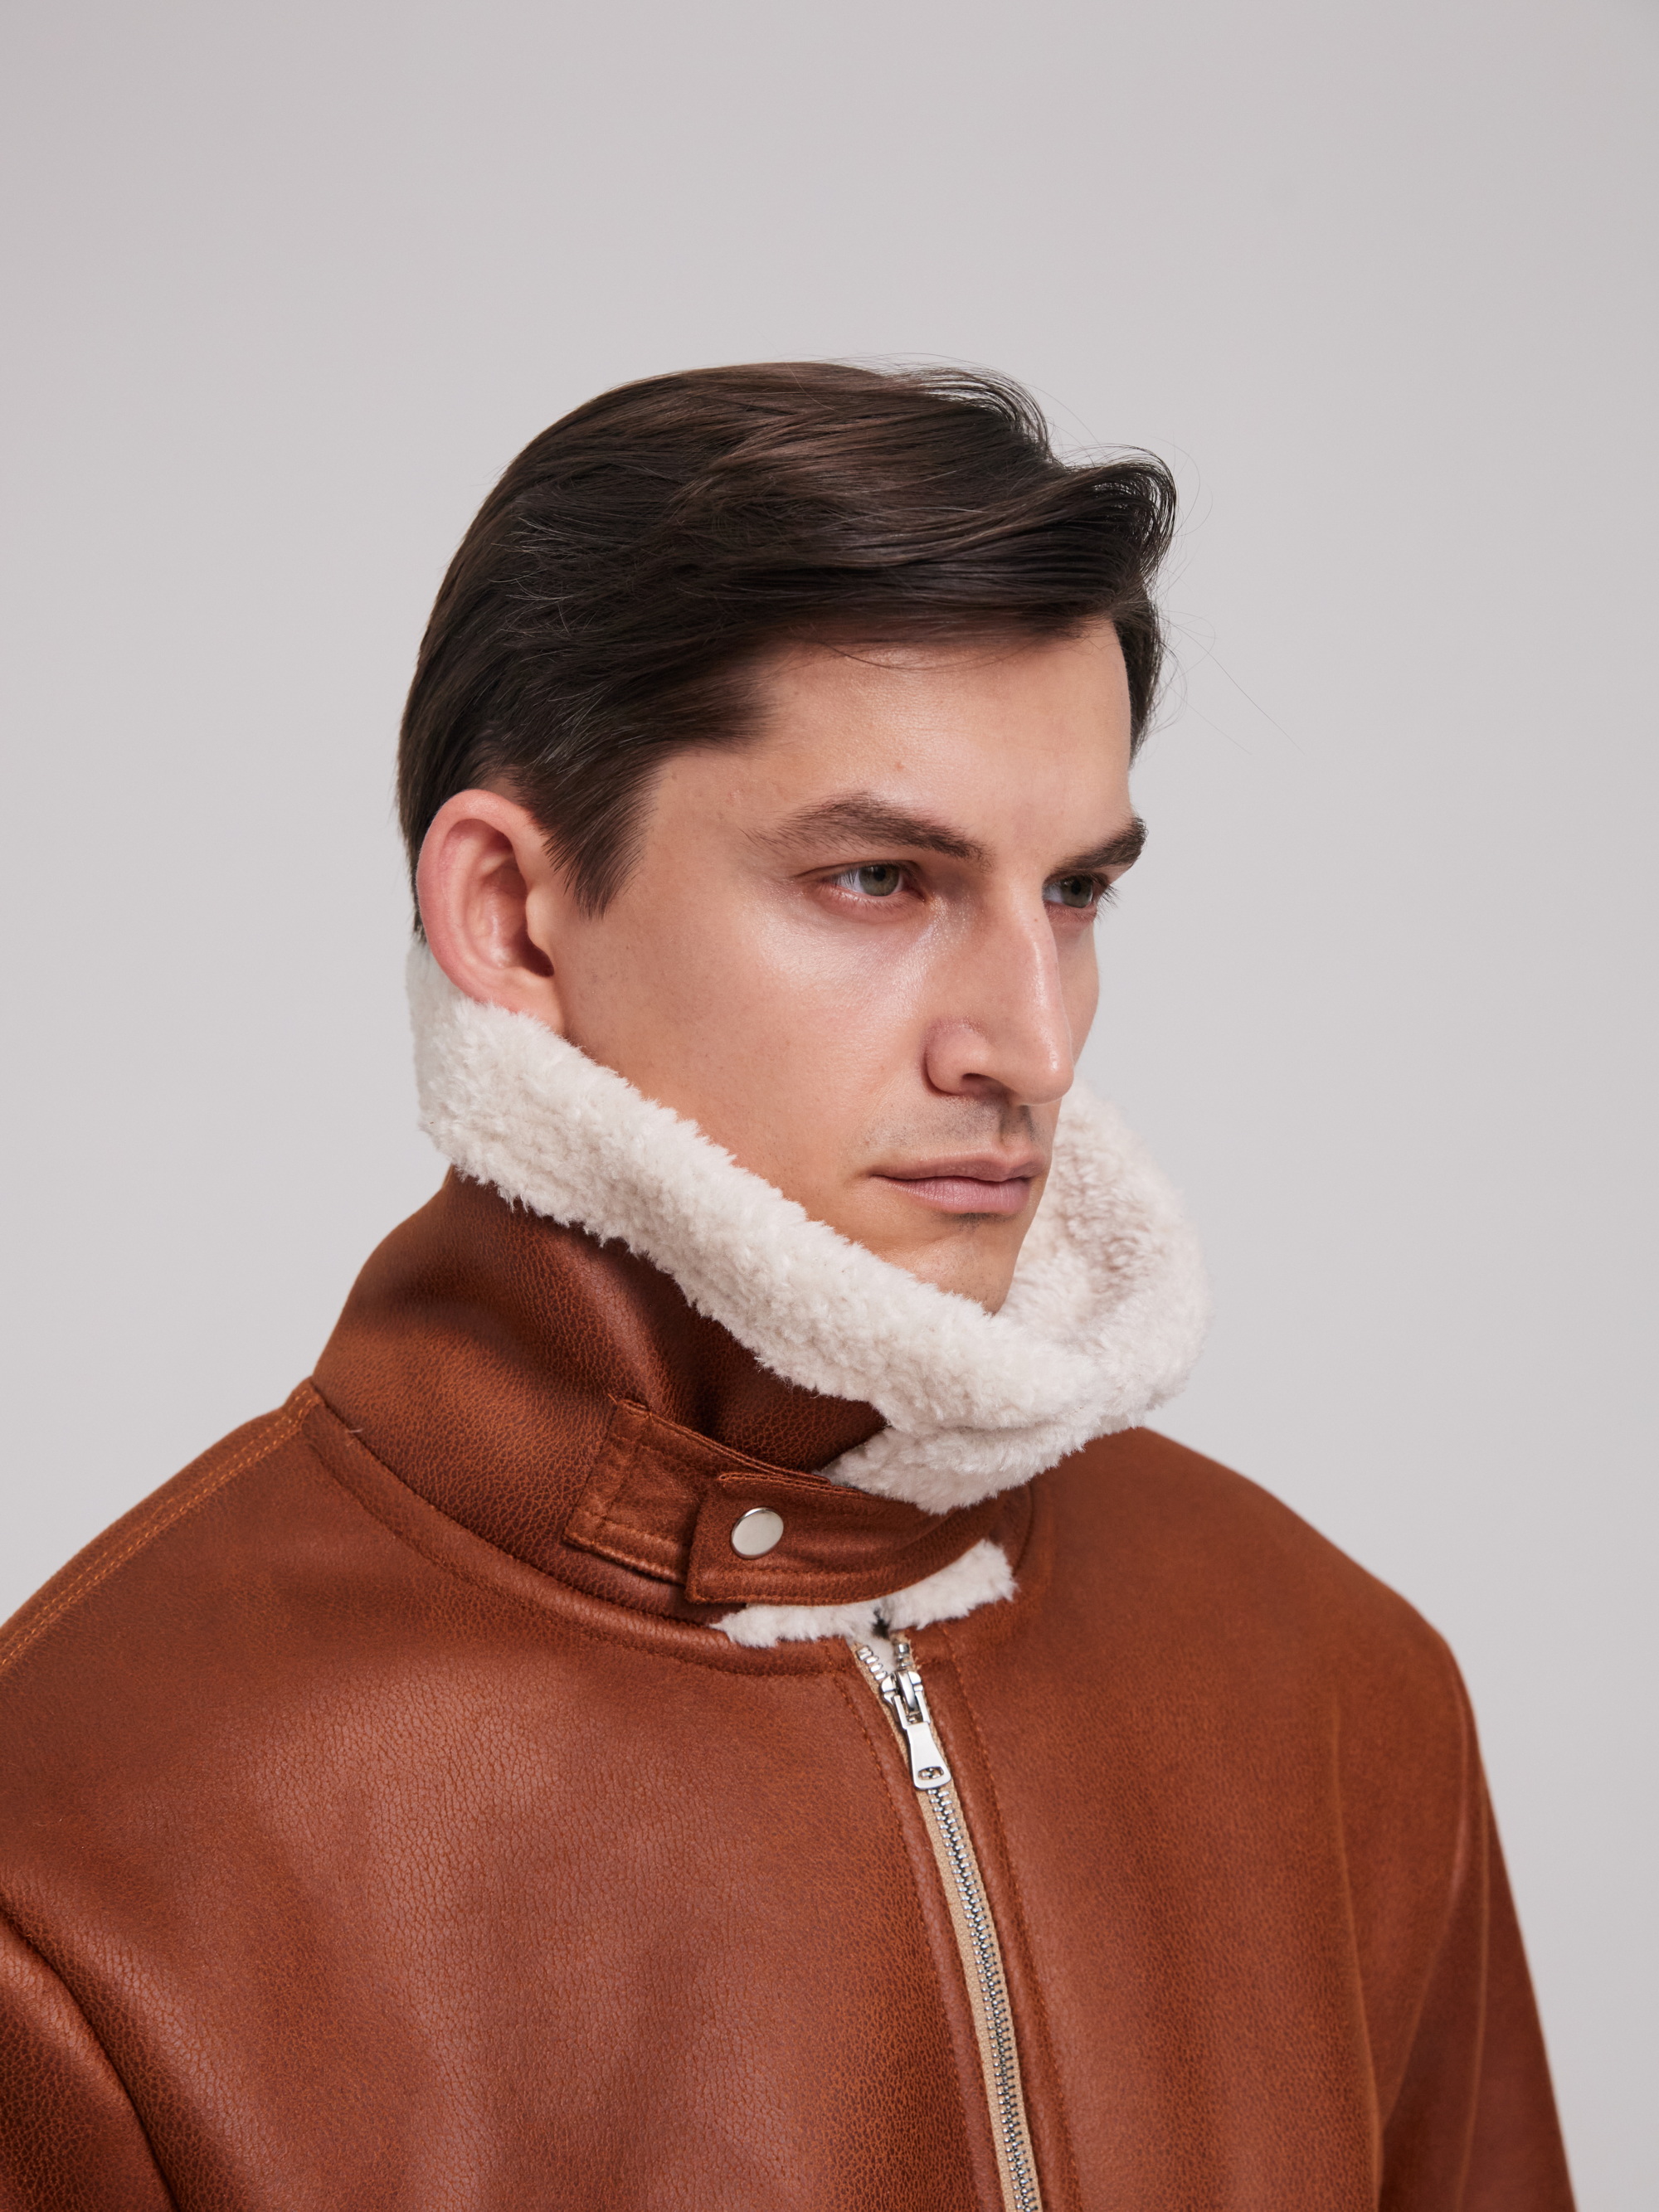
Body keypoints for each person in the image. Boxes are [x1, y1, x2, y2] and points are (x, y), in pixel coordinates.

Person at [0, 362, 1573, 2211]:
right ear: (509, 915)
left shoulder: (1334, 1686)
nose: (1032, 1041)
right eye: (882, 877)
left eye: (1075, 892)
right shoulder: (84, 1855)